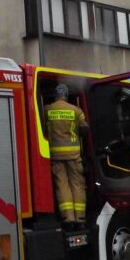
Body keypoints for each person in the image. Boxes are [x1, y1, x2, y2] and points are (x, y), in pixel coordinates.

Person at [45, 84, 89, 229]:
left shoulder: (47, 110)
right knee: (77, 184)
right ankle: (80, 217)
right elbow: (84, 128)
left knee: (62, 185)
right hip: (74, 155)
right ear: (66, 95)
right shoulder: (75, 110)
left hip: (55, 155)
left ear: (55, 95)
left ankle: (68, 217)